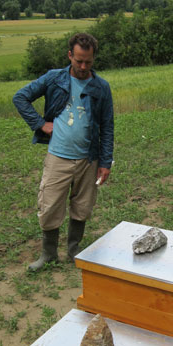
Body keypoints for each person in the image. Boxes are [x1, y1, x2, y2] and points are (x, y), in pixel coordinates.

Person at [13, 32, 114, 271]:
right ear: (70, 55)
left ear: (93, 58)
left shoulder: (101, 87)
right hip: (58, 156)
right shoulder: (54, 78)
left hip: (88, 158)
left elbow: (107, 126)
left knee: (83, 205)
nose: (83, 66)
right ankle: (48, 255)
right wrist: (39, 124)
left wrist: (105, 162)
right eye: (78, 60)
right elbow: (21, 97)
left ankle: (74, 251)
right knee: (49, 205)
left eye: (88, 61)